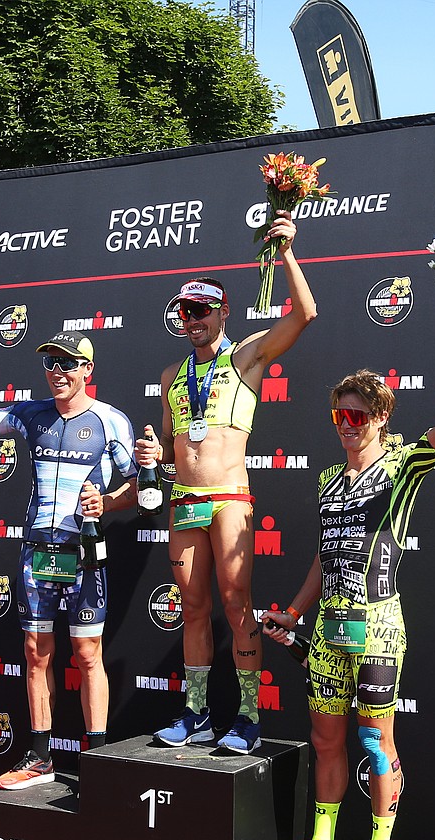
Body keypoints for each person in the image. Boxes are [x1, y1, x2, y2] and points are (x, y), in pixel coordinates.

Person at [261, 320, 435, 840]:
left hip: (378, 624)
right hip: (327, 629)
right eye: (339, 416)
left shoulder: (402, 465)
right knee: (325, 739)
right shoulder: (329, 478)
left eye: (356, 417)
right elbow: (321, 557)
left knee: (373, 740)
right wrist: (294, 611)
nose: (346, 426)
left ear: (381, 418)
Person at [0, 331, 138, 790]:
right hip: (37, 551)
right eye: (50, 364)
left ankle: (96, 758)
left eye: (68, 364)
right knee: (37, 653)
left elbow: (141, 488)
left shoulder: (111, 421)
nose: (57, 372)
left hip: (84, 553)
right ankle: (40, 756)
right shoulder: (29, 413)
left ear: (87, 371)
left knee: (87, 654)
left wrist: (108, 503)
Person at [134, 209, 316, 754]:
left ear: (222, 312)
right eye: (184, 312)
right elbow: (169, 450)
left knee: (237, 604)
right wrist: (153, 454)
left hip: (230, 499)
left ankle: (247, 714)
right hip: (185, 500)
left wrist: (285, 251)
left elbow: (305, 314)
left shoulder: (247, 355)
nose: (192, 320)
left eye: (201, 311)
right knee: (191, 607)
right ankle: (195, 713)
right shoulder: (170, 376)